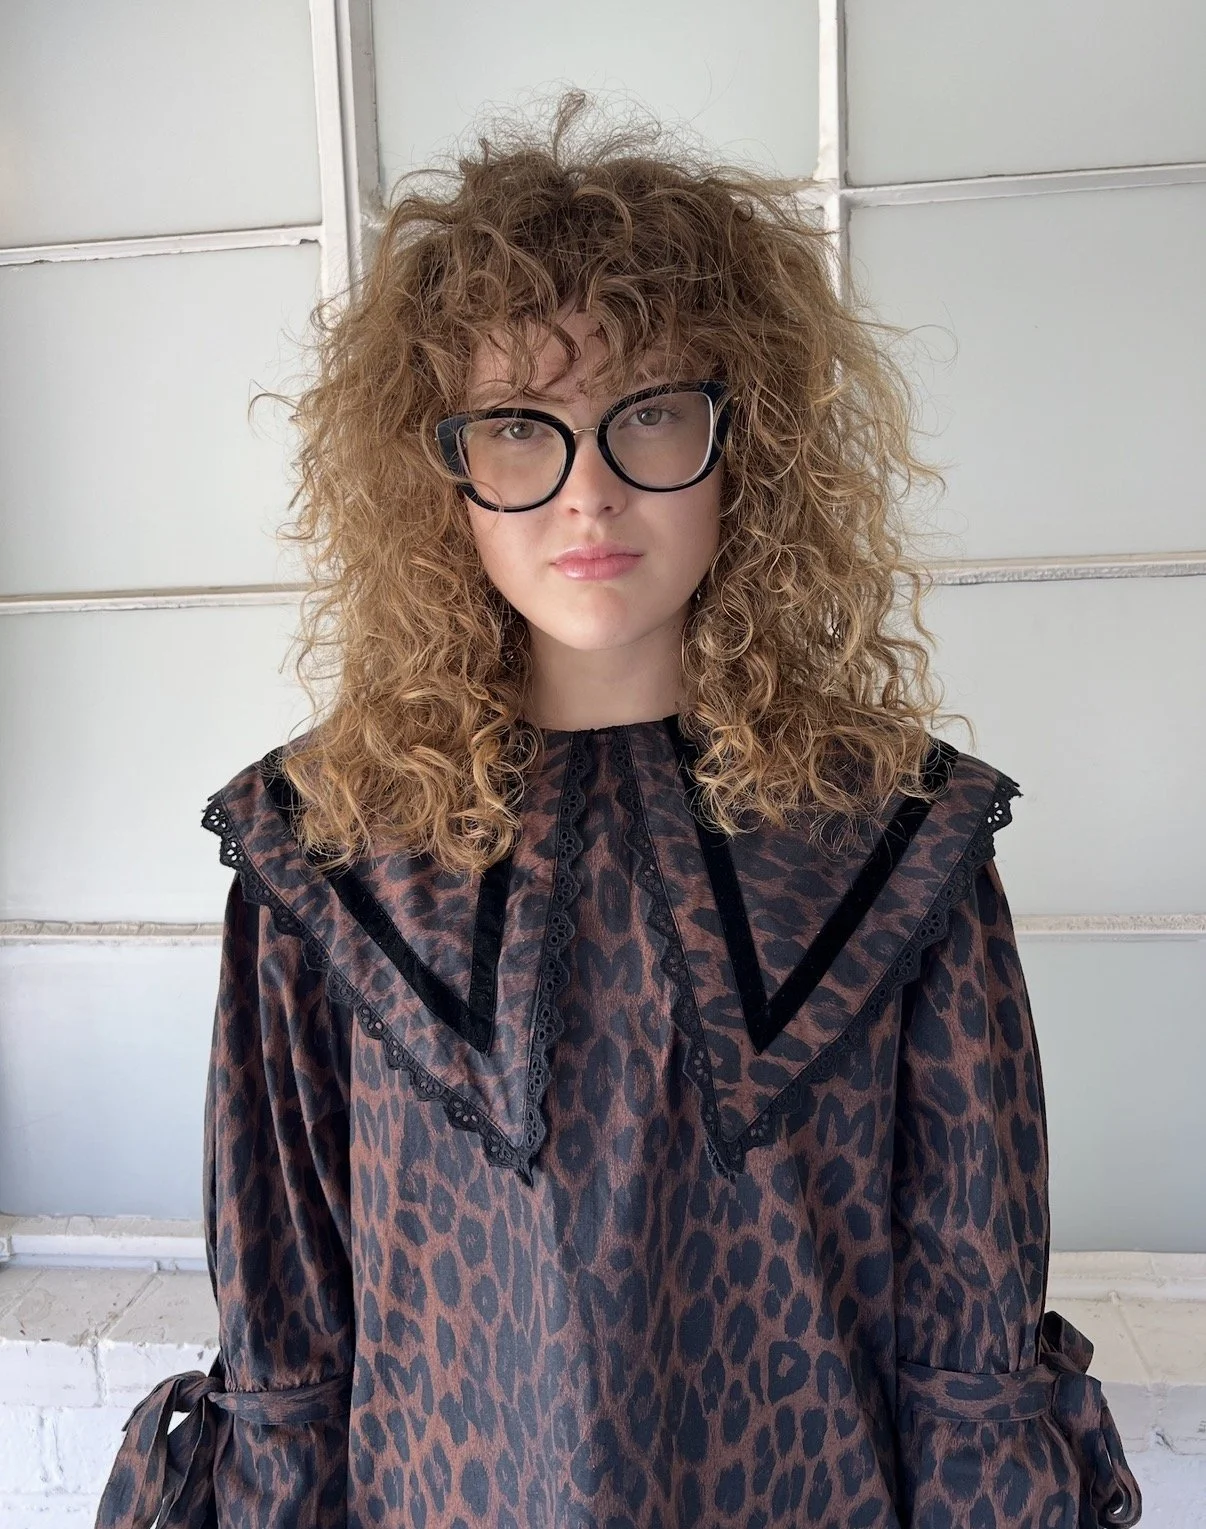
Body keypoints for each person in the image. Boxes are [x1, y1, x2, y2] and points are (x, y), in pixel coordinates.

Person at [96, 94, 1141, 1529]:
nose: (585, 494)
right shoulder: (322, 853)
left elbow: (967, 1330)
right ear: (440, 473)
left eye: (649, 415)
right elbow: (290, 1340)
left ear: (744, 445)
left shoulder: (901, 845)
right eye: (517, 432)